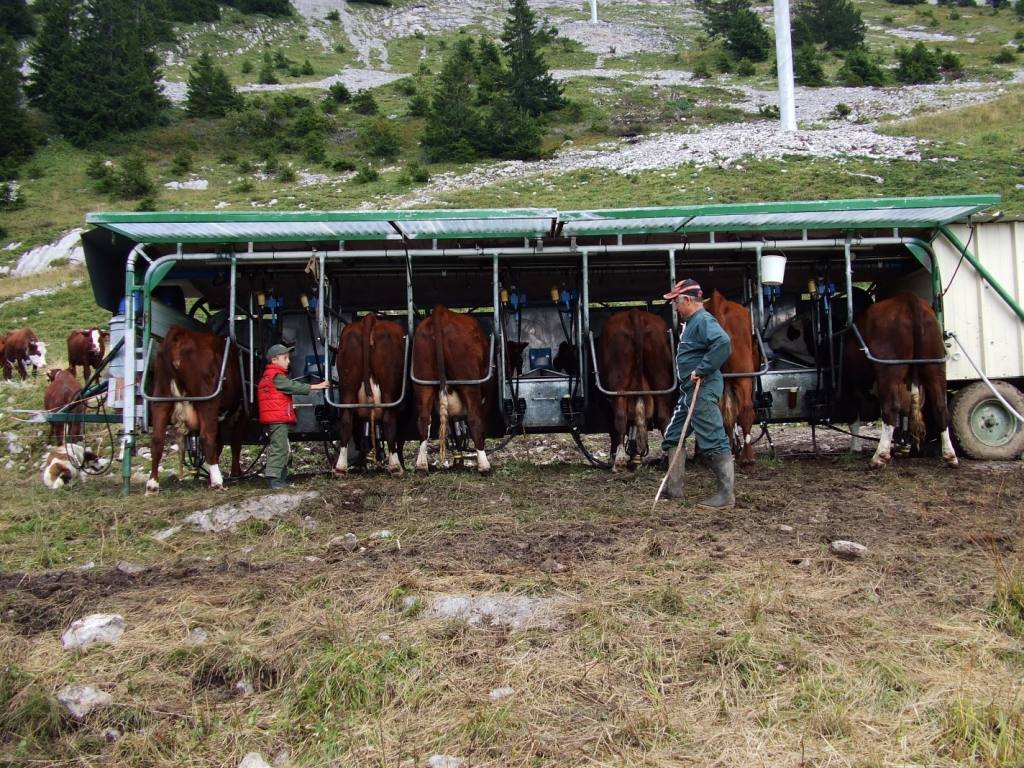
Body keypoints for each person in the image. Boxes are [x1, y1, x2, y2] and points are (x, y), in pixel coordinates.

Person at [660, 279, 736, 509]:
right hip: (690, 391)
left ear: (687, 300)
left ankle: (726, 495)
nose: (675, 307)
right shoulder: (692, 322)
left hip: (702, 389)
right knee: (674, 435)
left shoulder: (703, 320)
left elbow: (723, 343)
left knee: (712, 438)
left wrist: (701, 369)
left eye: (676, 302)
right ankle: (674, 489)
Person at [257, 344, 329, 489]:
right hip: (277, 419)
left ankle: (280, 478)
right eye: (285, 358)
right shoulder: (276, 376)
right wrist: (316, 386)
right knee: (280, 448)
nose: (288, 361)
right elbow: (293, 386)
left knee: (282, 447)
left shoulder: (269, 376)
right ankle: (274, 479)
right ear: (274, 360)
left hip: (274, 418)